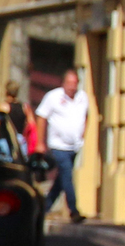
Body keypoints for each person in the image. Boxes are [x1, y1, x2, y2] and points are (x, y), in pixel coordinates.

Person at [35, 67, 90, 221]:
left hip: (75, 146)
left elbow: (87, 115)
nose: (72, 86)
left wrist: (83, 134)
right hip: (58, 146)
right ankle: (74, 210)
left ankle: (43, 208)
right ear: (63, 83)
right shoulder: (53, 97)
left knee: (60, 181)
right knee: (67, 176)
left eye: (75, 83)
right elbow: (41, 117)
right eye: (69, 83)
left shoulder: (82, 97)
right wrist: (40, 142)